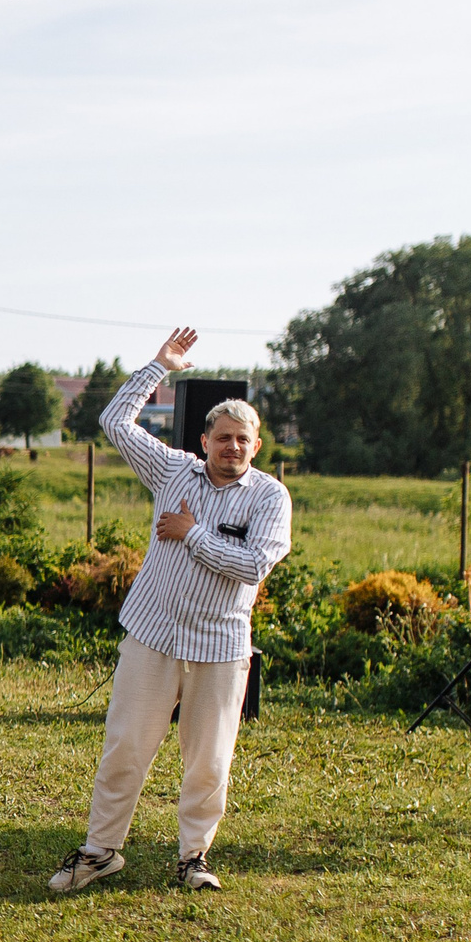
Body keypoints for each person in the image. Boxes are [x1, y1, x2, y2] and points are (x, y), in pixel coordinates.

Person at [48, 328, 293, 895]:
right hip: (152, 636)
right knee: (125, 749)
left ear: (257, 447)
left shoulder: (269, 497)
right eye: (223, 437)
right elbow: (114, 423)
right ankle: (99, 851)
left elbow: (254, 566)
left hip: (221, 647)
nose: (233, 447)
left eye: (244, 440)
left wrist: (191, 533)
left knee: (208, 762)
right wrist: (159, 366)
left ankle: (193, 859)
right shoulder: (172, 470)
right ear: (204, 440)